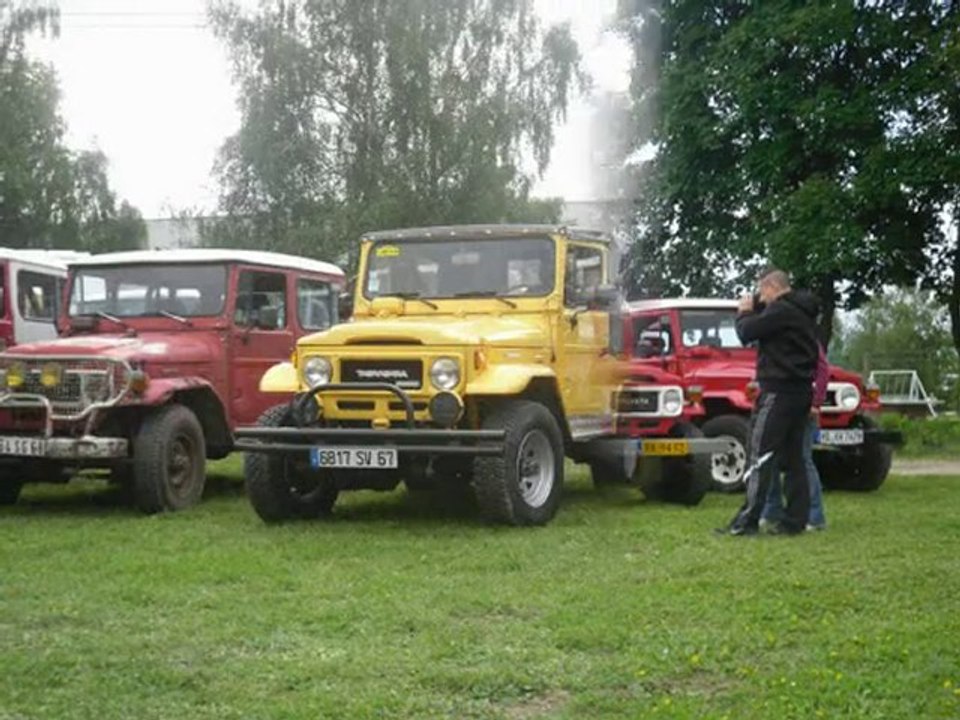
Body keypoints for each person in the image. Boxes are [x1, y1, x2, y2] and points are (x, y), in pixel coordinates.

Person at [718, 268, 819, 536]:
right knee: (794, 458)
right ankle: (794, 520)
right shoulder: (804, 311)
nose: (761, 296)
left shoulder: (781, 310)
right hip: (801, 391)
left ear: (772, 287)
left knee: (759, 454)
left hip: (777, 391)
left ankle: (747, 520)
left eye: (763, 291)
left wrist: (744, 310)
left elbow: (746, 332)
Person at [761, 342, 830, 531]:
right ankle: (772, 510)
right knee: (771, 458)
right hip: (782, 403)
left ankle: (814, 516)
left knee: (802, 458)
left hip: (797, 404)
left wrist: (816, 402)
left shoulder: (803, 336)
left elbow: (822, 368)